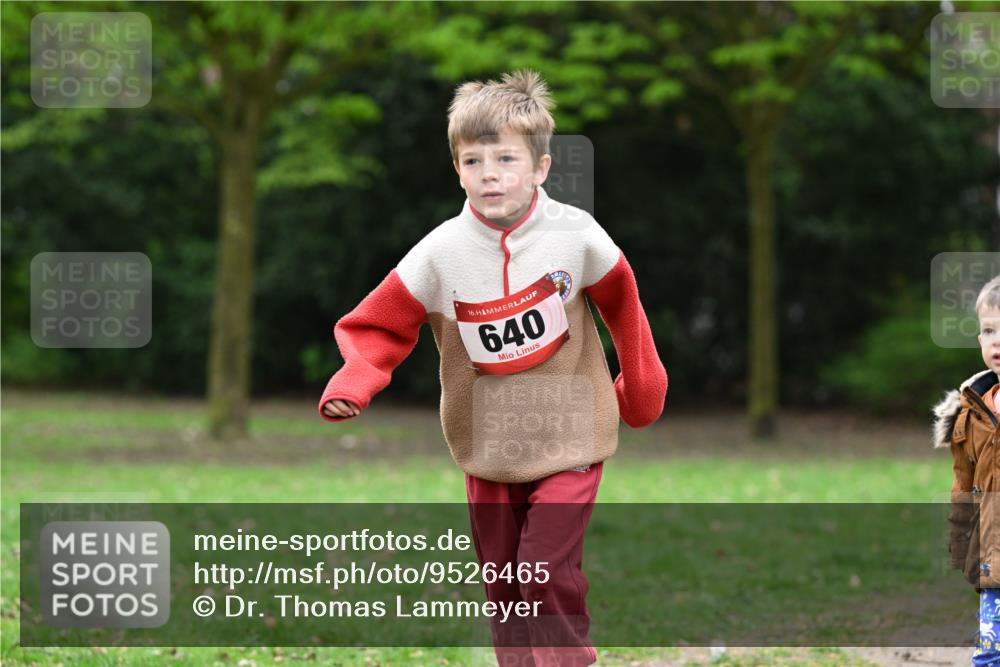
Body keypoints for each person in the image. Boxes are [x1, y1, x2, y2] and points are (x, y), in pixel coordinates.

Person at [318, 69, 668, 667]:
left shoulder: (577, 237)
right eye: (473, 161)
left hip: (571, 437)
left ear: (540, 168)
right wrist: (354, 380)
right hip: (487, 447)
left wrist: (639, 390)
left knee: (542, 572)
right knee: (504, 584)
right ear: (457, 170)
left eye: (505, 159)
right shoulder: (438, 254)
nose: (490, 174)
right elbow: (376, 324)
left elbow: (626, 310)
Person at [934, 274, 1000, 666]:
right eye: (990, 330)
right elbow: (964, 483)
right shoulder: (971, 412)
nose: (998, 341)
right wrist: (961, 540)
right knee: (991, 652)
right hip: (994, 552)